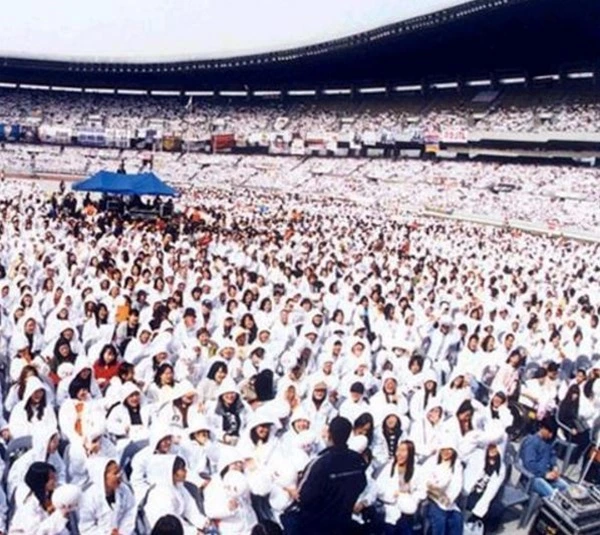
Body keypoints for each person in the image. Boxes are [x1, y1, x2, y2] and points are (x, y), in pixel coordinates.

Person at [284, 416, 367, 535]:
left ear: (329, 434)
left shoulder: (320, 463)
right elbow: (362, 484)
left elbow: (303, 496)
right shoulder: (357, 460)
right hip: (343, 523)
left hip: (318, 526)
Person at [78, 457, 136, 535]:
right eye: (115, 473)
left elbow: (130, 512)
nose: (119, 475)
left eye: (119, 471)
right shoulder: (89, 498)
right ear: (103, 477)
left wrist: (122, 532)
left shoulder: (124, 490)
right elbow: (86, 527)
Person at [9, 462, 71, 535]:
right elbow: (36, 532)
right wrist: (60, 515)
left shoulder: (50, 497)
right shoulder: (29, 505)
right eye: (51, 478)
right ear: (41, 481)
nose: (55, 480)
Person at [520, 418, 569, 497]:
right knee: (553, 495)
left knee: (566, 488)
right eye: (549, 432)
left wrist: (554, 467)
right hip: (533, 477)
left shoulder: (548, 442)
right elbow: (529, 464)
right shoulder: (532, 442)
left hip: (546, 475)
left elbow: (552, 455)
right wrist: (544, 474)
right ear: (543, 428)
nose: (550, 436)